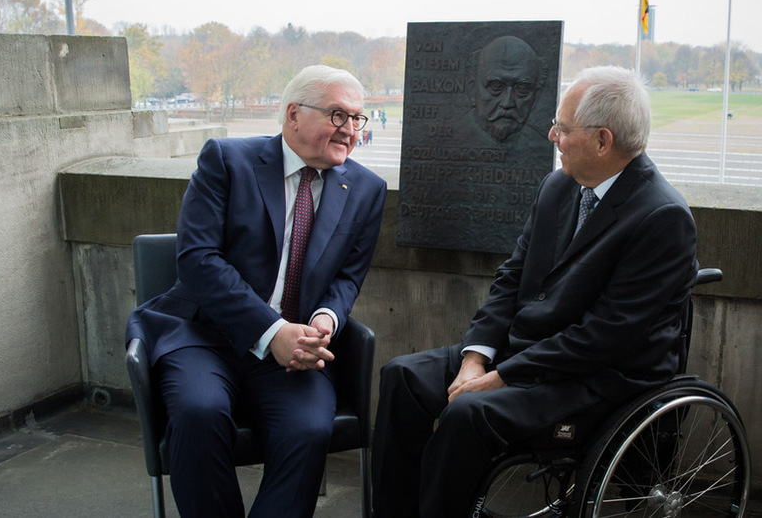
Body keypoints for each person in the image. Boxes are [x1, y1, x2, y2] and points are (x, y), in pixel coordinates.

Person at [372, 65, 699, 518]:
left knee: (468, 414)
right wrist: (475, 359)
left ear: (603, 140)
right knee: (402, 377)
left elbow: (605, 336)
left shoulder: (662, 217)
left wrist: (499, 378)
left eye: (562, 128)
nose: (551, 136)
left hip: (597, 378)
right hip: (527, 353)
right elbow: (512, 277)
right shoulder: (558, 186)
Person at [127, 65, 387, 518]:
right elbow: (198, 262)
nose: (350, 130)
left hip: (295, 348)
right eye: (337, 115)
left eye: (357, 118)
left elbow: (347, 278)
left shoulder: (366, 188)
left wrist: (325, 321)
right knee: (199, 412)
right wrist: (273, 331)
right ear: (293, 115)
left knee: (308, 429)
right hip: (201, 335)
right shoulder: (227, 161)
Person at [468, 35, 547, 142]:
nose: (507, 103)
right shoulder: (450, 138)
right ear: (473, 91)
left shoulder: (541, 143)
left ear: (536, 97)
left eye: (522, 88)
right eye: (496, 86)